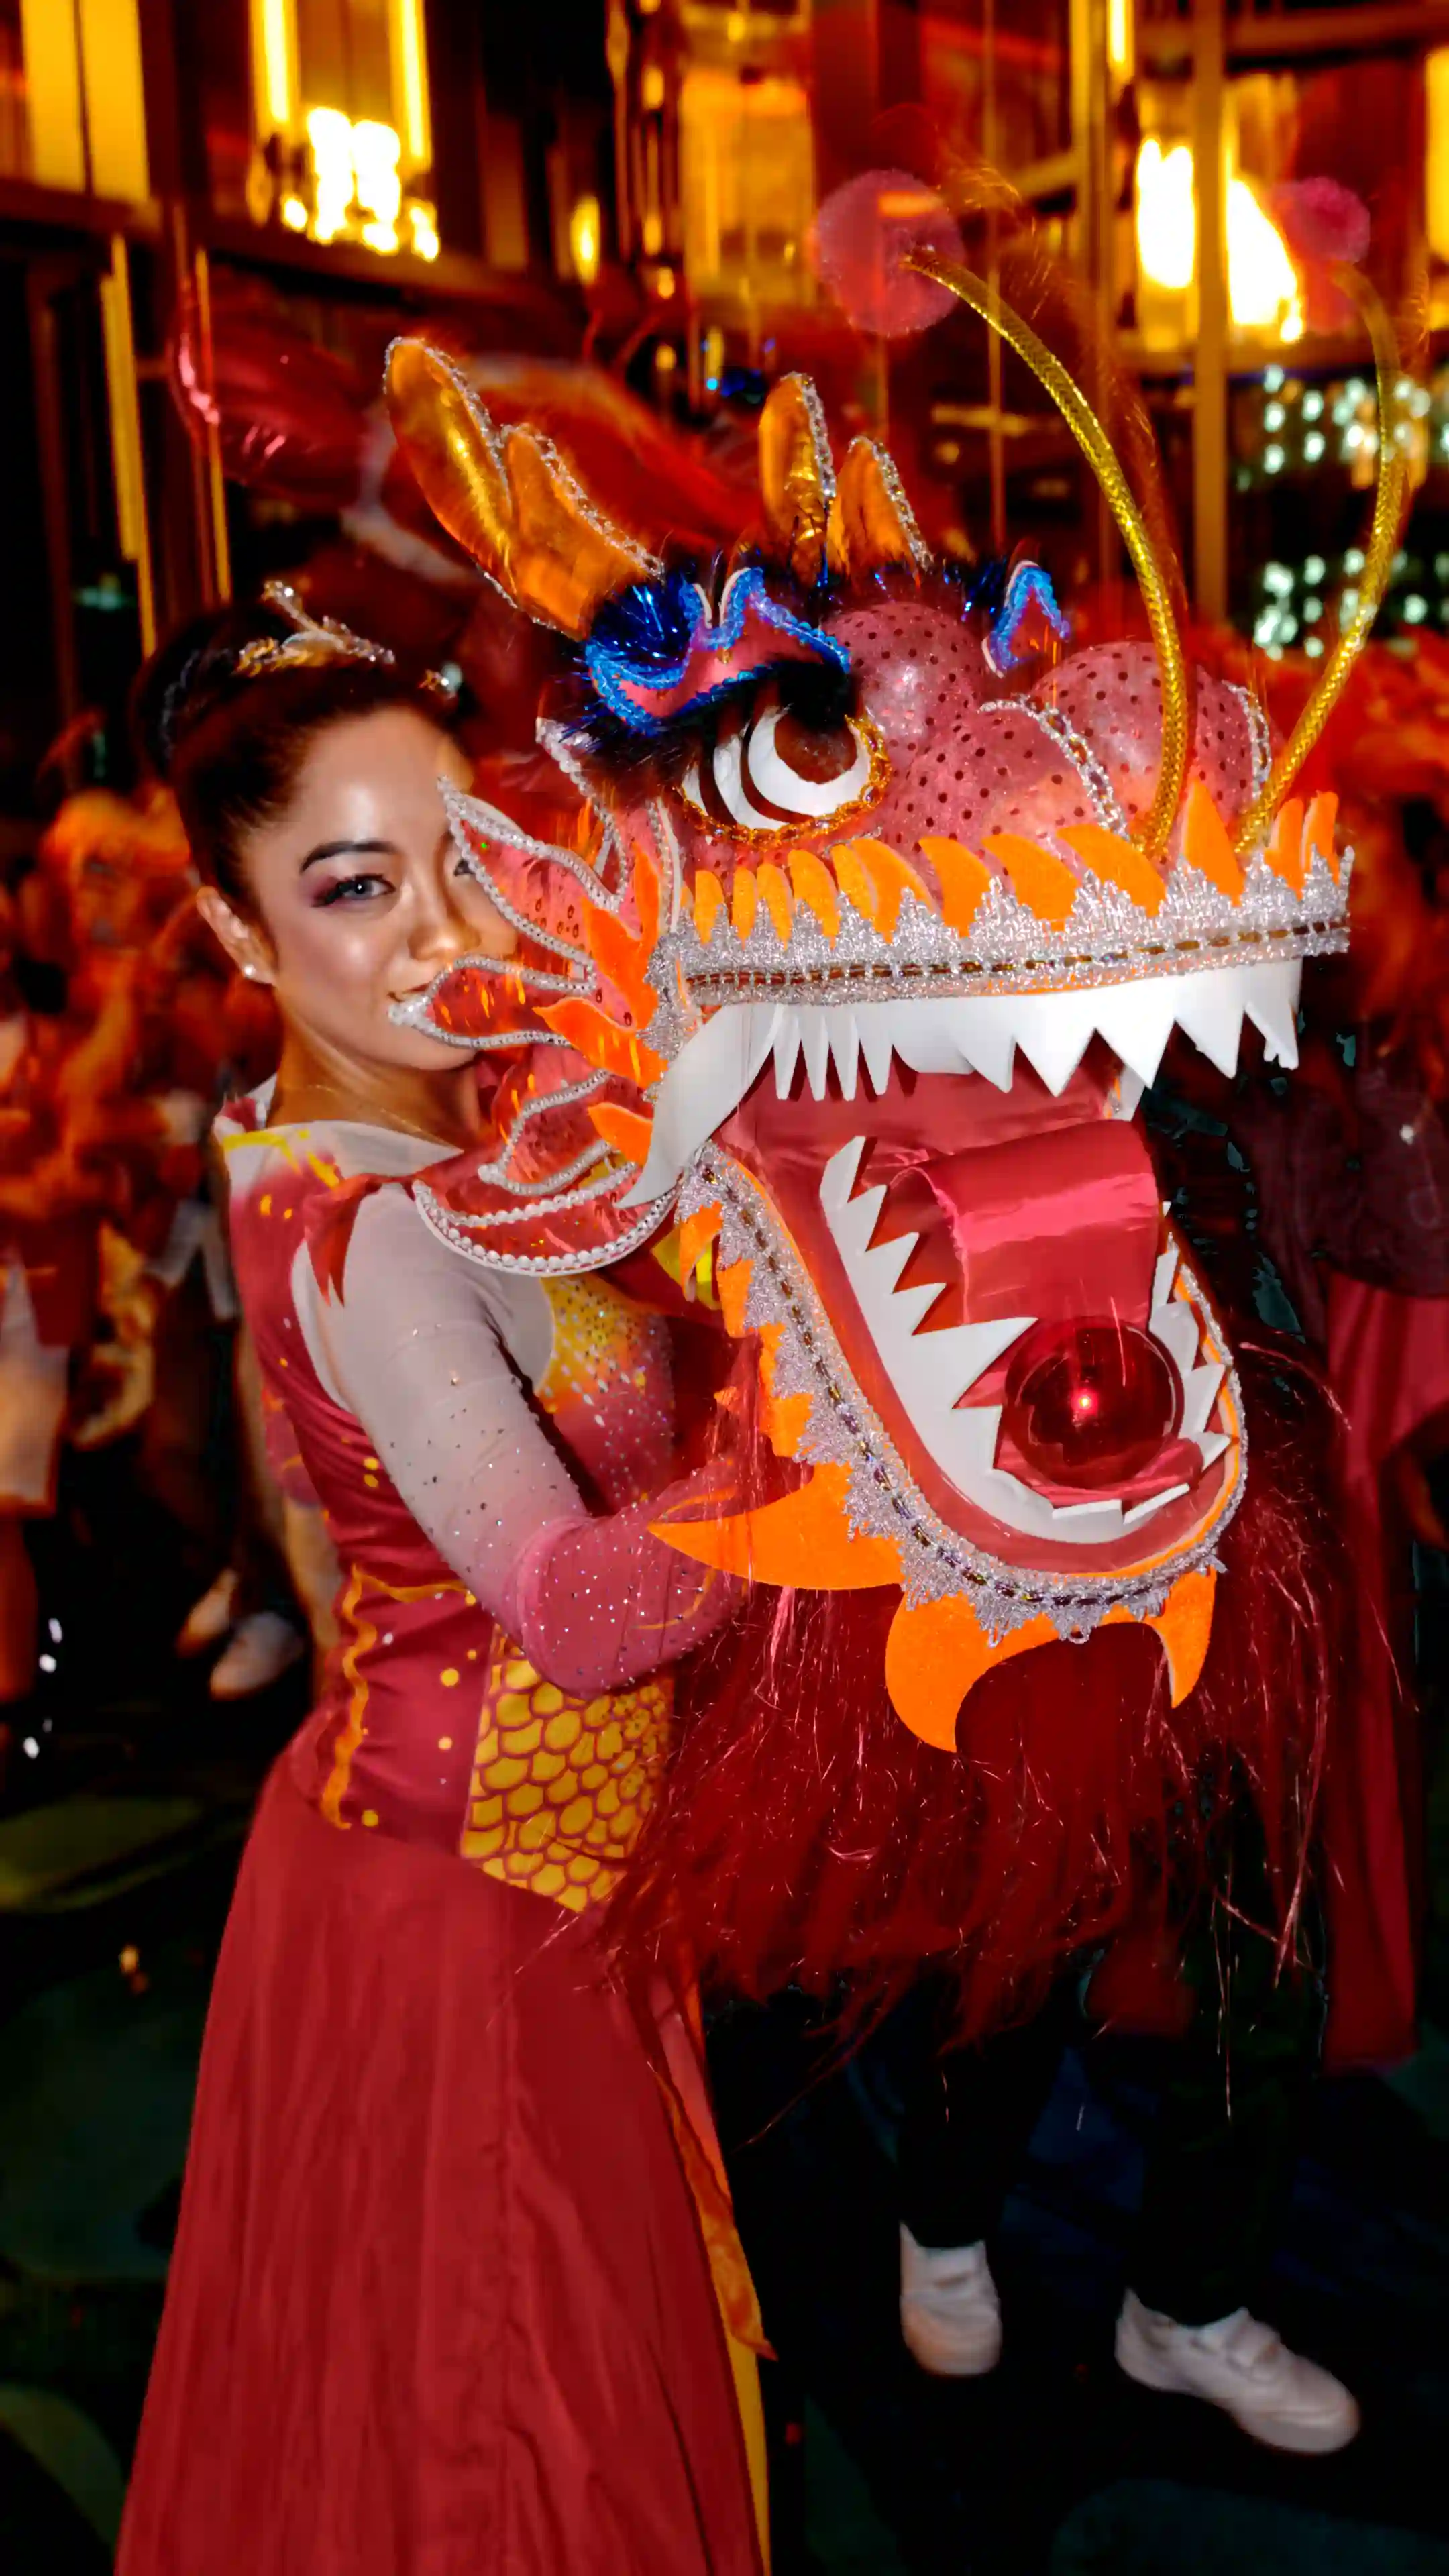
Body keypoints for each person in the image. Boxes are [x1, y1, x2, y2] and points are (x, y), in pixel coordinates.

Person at [117, 596, 763, 2576]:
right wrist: (810, 1465)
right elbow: (571, 1604)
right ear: (241, 938)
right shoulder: (384, 1224)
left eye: (457, 862)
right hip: (479, 1925)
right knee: (507, 2447)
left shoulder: (422, 1133)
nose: (433, 929)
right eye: (350, 885)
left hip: (486, 1864)